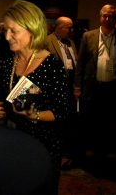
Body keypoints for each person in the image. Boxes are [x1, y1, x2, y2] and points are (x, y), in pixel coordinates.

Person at [0, 0, 70, 193]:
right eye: (5, 30)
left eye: (13, 31)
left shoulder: (52, 66)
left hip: (43, 146)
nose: (7, 36)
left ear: (32, 29)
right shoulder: (7, 63)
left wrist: (35, 116)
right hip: (11, 143)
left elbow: (62, 112)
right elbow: (1, 101)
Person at [74, 4, 116, 172]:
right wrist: (77, 86)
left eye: (111, 17)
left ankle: (100, 160)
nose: (107, 19)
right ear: (100, 17)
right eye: (105, 16)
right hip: (90, 88)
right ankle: (79, 158)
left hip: (111, 90)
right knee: (85, 124)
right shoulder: (89, 36)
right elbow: (80, 63)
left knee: (106, 126)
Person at [46, 17, 79, 169]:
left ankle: (66, 152)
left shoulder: (71, 43)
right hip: (54, 88)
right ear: (57, 27)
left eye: (72, 28)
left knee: (69, 120)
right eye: (68, 27)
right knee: (56, 120)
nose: (71, 31)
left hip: (70, 87)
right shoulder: (47, 41)